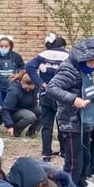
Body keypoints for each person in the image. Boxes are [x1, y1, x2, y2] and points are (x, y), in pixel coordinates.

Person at [46, 37, 94, 187]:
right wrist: (74, 100)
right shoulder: (69, 70)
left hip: (84, 121)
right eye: (92, 61)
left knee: (85, 156)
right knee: (74, 161)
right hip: (70, 122)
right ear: (83, 59)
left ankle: (80, 183)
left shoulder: (84, 71)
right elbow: (52, 88)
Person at [26, 33, 68, 162]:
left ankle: (46, 153)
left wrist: (40, 83)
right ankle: (64, 151)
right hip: (61, 94)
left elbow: (29, 67)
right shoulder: (67, 56)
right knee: (62, 124)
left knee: (47, 125)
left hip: (46, 93)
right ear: (62, 46)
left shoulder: (43, 55)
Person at [1, 71, 42, 137]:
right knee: (30, 116)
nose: (28, 90)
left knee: (44, 111)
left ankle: (32, 133)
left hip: (28, 107)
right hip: (14, 112)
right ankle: (15, 132)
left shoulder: (36, 88)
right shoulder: (14, 91)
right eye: (26, 88)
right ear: (21, 82)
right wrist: (9, 126)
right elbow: (5, 109)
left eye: (30, 88)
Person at [0, 34, 25, 100]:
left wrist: (18, 75)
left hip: (13, 85)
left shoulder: (16, 56)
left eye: (6, 46)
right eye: (1, 46)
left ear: (10, 46)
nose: (3, 48)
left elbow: (22, 67)